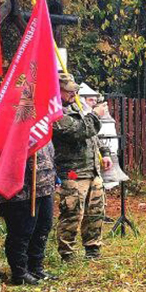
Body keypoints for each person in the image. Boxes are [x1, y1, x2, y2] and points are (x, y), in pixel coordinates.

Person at [54, 72, 112, 260]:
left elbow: (92, 135)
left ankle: (93, 250)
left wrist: (105, 152)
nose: (73, 94)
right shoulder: (55, 112)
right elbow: (78, 131)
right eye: (68, 91)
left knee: (95, 212)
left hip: (92, 169)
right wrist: (95, 115)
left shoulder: (76, 106)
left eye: (75, 90)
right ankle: (67, 254)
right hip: (73, 172)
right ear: (57, 90)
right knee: (72, 214)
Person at [0, 143, 55, 284]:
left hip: (43, 184)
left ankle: (36, 268)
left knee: (43, 227)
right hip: (18, 189)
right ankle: (20, 272)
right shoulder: (6, 123)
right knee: (22, 231)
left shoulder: (39, 122)